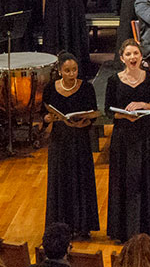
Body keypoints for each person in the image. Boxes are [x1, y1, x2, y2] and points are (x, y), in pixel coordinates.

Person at [105, 39, 150, 242]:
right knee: (124, 181)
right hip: (123, 136)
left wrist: (143, 105)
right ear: (122, 58)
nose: (133, 57)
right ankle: (123, 231)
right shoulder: (114, 80)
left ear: (141, 57)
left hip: (144, 135)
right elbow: (108, 111)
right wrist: (125, 115)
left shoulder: (149, 78)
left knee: (146, 179)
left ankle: (149, 228)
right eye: (128, 54)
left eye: (136, 54)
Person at [42, 53, 98, 239]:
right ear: (60, 71)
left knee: (81, 181)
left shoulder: (87, 88)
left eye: (74, 70)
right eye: (67, 70)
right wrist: (47, 118)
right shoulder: (50, 88)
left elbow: (93, 113)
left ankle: (82, 226)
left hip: (80, 141)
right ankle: (60, 227)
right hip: (60, 142)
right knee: (61, 182)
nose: (72, 74)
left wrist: (85, 121)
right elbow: (43, 114)